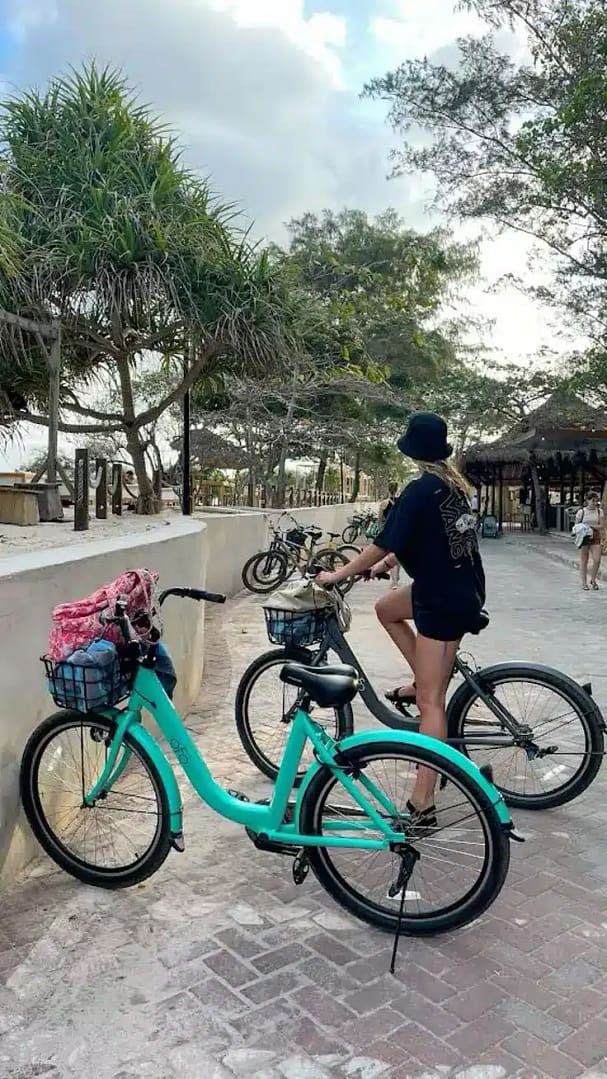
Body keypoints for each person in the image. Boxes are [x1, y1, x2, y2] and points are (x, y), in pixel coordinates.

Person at [316, 412, 485, 819]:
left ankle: (423, 802)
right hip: (454, 587)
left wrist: (337, 574)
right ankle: (425, 676)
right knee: (386, 608)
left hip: (443, 600)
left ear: (413, 451)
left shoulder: (419, 490)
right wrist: (385, 565)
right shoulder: (450, 486)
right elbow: (423, 538)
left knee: (431, 702)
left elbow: (380, 542)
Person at [576, 491, 604, 591]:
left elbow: (602, 526)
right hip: (584, 536)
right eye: (593, 501)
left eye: (597, 501)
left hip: (595, 535)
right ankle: (584, 583)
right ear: (587, 500)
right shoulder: (581, 512)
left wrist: (590, 526)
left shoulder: (599, 511)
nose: (595, 503)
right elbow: (576, 526)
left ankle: (593, 579)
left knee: (597, 559)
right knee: (584, 560)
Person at [377, 481, 401, 588]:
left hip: (388, 531)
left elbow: (380, 519)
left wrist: (380, 531)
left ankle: (394, 581)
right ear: (397, 489)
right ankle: (396, 577)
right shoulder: (401, 501)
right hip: (399, 530)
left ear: (388, 489)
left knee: (390, 555)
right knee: (398, 555)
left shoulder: (384, 503)